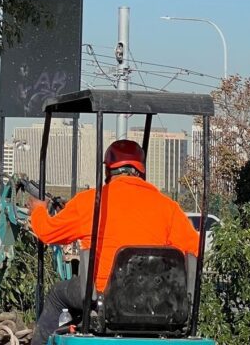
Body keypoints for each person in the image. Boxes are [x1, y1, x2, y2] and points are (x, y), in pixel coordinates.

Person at [27, 139, 200, 345]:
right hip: (157, 302)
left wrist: (38, 210)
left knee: (57, 294)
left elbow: (47, 233)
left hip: (103, 298)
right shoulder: (168, 207)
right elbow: (195, 250)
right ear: (141, 171)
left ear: (108, 171)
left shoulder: (90, 202)